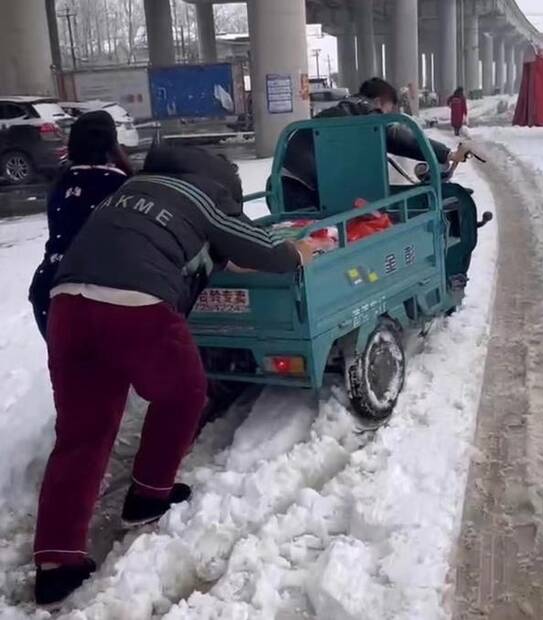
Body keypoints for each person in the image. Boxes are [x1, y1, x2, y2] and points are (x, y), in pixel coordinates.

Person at [33, 145, 314, 607]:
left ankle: (55, 565)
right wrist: (297, 252)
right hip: (134, 303)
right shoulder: (204, 195)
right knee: (183, 392)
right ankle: (149, 494)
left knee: (82, 432)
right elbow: (259, 248)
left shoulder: (132, 186)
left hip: (68, 301)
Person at [282, 77, 470, 211]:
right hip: (303, 191)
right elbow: (393, 136)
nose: (386, 116)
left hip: (281, 187)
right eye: (388, 110)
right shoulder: (365, 110)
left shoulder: (344, 110)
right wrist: (446, 154)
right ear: (379, 102)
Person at [29, 110, 133, 338]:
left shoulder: (61, 182)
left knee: (71, 371)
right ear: (112, 145)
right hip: (102, 294)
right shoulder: (124, 187)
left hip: (49, 289)